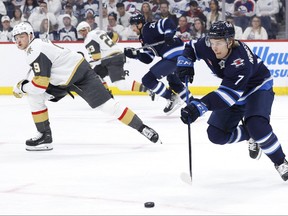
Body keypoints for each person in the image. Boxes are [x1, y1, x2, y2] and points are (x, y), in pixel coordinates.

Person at [12, 22, 161, 151]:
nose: (19, 41)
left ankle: (142, 128)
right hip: (66, 78)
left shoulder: (34, 49)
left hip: (79, 76)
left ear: (30, 35)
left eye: (22, 36)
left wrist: (22, 87)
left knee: (110, 106)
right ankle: (44, 135)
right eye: (16, 38)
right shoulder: (38, 45)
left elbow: (40, 84)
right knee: (34, 96)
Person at [177, 21, 288, 181]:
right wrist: (185, 62)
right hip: (234, 89)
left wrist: (199, 106)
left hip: (257, 87)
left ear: (230, 41)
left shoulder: (240, 61)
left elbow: (228, 97)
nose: (214, 47)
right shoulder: (208, 45)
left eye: (219, 43)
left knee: (257, 125)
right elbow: (191, 47)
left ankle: (280, 161)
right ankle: (250, 134)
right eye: (212, 42)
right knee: (216, 135)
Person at [124, 14, 192, 115]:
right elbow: (148, 58)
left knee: (148, 80)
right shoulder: (143, 38)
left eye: (133, 25)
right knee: (173, 81)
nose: (132, 28)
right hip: (178, 56)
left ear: (140, 24)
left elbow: (167, 22)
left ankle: (171, 97)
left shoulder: (148, 28)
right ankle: (193, 104)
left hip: (175, 56)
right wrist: (135, 55)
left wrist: (168, 33)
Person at [76, 21, 155, 100]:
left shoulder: (88, 38)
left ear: (88, 29)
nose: (83, 33)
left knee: (121, 85)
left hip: (112, 59)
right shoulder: (100, 31)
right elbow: (115, 36)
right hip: (112, 58)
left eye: (83, 30)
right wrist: (108, 48)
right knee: (95, 75)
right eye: (80, 32)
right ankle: (108, 96)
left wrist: (88, 64)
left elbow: (97, 57)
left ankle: (148, 89)